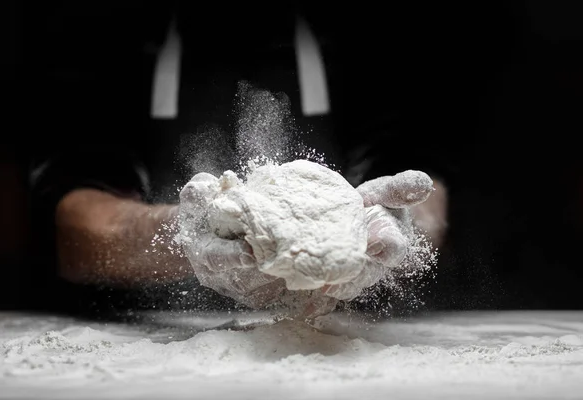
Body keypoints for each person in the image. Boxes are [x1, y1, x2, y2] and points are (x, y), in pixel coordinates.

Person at [24, 2, 449, 318]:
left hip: (345, 334)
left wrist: (397, 228)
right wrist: (182, 235)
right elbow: (71, 222)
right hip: (146, 340)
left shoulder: (375, 25)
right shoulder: (99, 25)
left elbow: (421, 188)